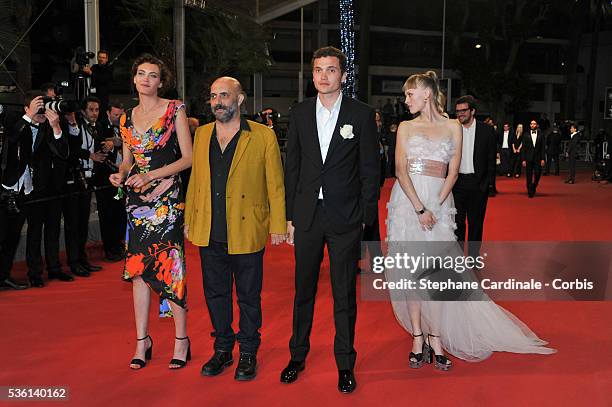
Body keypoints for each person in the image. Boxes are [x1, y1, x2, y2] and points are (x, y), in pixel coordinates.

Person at [385, 71, 555, 371]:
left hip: (440, 202)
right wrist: (419, 208)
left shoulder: (453, 127)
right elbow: (400, 170)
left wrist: (435, 207)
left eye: (409, 94)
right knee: (411, 272)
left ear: (426, 93)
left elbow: (453, 171)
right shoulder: (405, 128)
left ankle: (435, 338)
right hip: (407, 203)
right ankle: (416, 336)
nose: (405, 99)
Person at [282, 46, 380, 393]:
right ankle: (297, 355)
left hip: (345, 218)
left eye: (331, 70)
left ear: (343, 75)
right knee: (303, 291)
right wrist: (290, 216)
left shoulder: (362, 114)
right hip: (307, 216)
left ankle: (345, 363)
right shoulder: (299, 112)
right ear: (312, 75)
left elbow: (371, 170)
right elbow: (291, 166)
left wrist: (364, 218)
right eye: (318, 70)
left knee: (344, 295)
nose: (324, 76)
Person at [184, 77, 286, 381]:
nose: (218, 102)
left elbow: (276, 186)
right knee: (215, 294)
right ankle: (223, 349)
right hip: (209, 230)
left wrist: (278, 225)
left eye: (224, 95)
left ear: (240, 100)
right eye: (213, 96)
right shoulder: (201, 134)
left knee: (248, 296)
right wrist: (190, 217)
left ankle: (249, 351)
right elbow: (195, 181)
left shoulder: (263, 136)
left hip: (247, 229)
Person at [109, 54, 192, 370]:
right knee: (139, 271)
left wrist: (152, 176)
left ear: (161, 81)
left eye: (152, 75)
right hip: (136, 202)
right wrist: (122, 173)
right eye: (140, 73)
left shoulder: (174, 110)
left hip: (166, 201)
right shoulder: (125, 118)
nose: (145, 78)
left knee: (170, 266)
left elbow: (188, 158)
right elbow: (128, 160)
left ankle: (181, 339)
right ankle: (142, 340)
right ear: (134, 79)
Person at [0, 92, 69, 288]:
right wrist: (29, 115)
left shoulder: (47, 128)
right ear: (26, 108)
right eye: (37, 106)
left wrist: (56, 126)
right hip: (6, 187)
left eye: (43, 107)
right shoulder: (14, 121)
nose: (41, 111)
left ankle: (3, 276)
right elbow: (12, 138)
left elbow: (63, 152)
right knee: (2, 235)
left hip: (27, 191)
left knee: (12, 238)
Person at [62, 96, 105, 277]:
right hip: (73, 180)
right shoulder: (74, 126)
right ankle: (74, 262)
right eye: (91, 110)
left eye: (97, 110)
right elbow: (70, 149)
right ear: (83, 111)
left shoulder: (96, 127)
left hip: (89, 179)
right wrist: (89, 155)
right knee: (73, 223)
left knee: (82, 223)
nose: (95, 113)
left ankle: (82, 259)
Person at [453, 95, 496, 259]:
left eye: (463, 110)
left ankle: (473, 257)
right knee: (457, 223)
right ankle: (457, 258)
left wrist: (488, 185)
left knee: (476, 224)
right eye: (457, 111)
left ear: (473, 111)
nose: (460, 114)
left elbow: (491, 159)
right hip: (457, 183)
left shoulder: (487, 130)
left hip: (478, 184)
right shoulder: (453, 129)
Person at [522, 120, 545, 197]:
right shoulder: (526, 134)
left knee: (538, 173)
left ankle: (533, 186)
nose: (532, 125)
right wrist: (523, 159)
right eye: (531, 124)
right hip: (528, 158)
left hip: (538, 158)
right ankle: (530, 191)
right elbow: (524, 148)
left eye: (534, 124)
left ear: (537, 125)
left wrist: (543, 159)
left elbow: (542, 148)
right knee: (529, 175)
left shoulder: (541, 135)